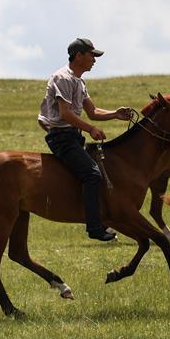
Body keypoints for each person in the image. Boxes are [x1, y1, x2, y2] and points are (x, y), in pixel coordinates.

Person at [38, 38, 132, 241]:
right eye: (92, 55)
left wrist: (116, 113)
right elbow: (66, 114)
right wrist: (91, 129)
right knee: (92, 175)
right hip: (62, 138)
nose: (95, 60)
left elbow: (93, 111)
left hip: (72, 136)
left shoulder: (79, 81)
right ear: (79, 55)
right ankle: (95, 227)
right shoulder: (63, 78)